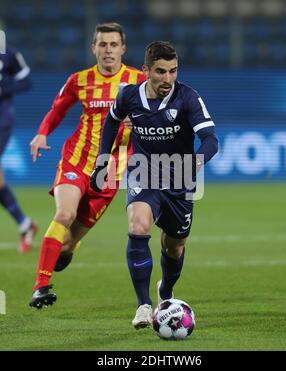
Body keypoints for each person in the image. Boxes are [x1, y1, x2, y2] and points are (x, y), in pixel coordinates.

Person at [90, 41, 218, 329]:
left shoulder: (187, 97)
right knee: (137, 227)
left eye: (173, 71)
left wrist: (193, 165)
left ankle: (166, 293)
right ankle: (143, 306)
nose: (168, 79)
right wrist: (102, 160)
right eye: (161, 72)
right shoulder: (128, 96)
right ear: (146, 70)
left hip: (180, 179)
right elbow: (112, 122)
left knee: (175, 248)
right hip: (144, 170)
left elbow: (211, 140)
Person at [28, 23, 146, 309]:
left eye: (113, 44)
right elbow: (57, 109)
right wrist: (42, 132)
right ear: (93, 48)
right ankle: (40, 287)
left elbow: (160, 117)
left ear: (123, 49)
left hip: (109, 173)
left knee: (66, 244)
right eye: (102, 44)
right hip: (77, 161)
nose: (108, 50)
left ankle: (66, 249)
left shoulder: (139, 81)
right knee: (64, 212)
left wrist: (140, 121)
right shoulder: (78, 80)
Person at [0, 45, 37, 253]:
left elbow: (26, 80)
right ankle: (25, 224)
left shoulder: (9, 54)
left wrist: (4, 88)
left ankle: (25, 224)